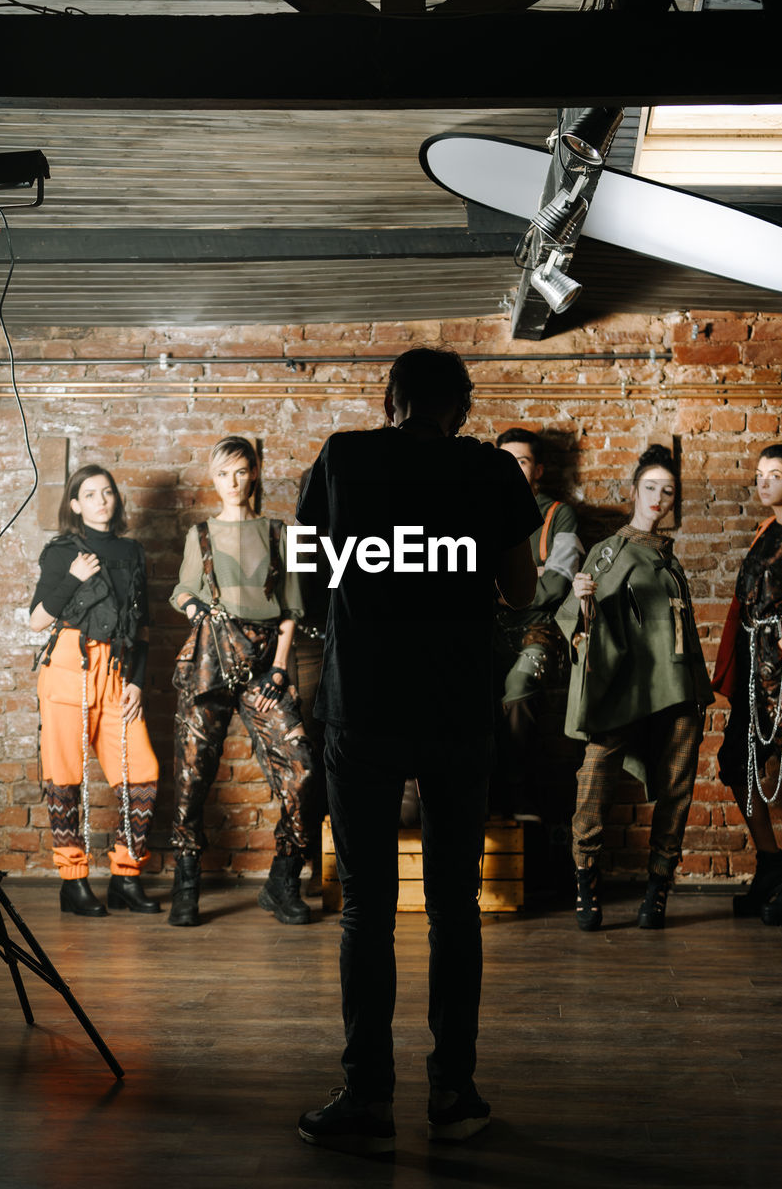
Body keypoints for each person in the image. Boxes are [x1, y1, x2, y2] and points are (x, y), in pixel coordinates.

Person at [296, 348, 540, 1154]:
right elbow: (520, 592)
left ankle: (367, 1098)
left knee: (366, 908)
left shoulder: (342, 456)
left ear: (389, 397)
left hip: (361, 705)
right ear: (461, 410)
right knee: (453, 905)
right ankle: (453, 1095)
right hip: (454, 708)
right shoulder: (492, 473)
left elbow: (307, 584)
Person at [556, 444, 713, 932]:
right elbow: (579, 619)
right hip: (626, 687)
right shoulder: (611, 551)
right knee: (594, 778)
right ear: (634, 491)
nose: (658, 498)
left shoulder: (670, 558)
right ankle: (586, 883)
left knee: (677, 789)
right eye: (650, 488)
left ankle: (657, 890)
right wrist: (581, 600)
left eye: (667, 491)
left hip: (680, 686)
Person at [169, 435, 315, 927]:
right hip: (211, 656)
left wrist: (279, 666)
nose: (232, 482)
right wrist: (195, 608)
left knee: (301, 770)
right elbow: (184, 589)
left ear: (254, 473)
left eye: (240, 471)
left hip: (264, 664)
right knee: (192, 773)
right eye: (222, 473)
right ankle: (186, 885)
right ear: (214, 478)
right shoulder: (201, 535)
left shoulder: (281, 532)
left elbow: (293, 608)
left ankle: (283, 880)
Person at [30, 465, 160, 917]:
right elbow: (37, 619)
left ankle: (126, 877)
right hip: (70, 667)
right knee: (65, 778)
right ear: (75, 505)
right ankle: (73, 881)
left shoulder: (133, 552)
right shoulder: (63, 551)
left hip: (118, 673)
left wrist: (139, 682)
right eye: (90, 494)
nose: (102, 500)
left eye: (107, 492)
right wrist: (75, 577)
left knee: (142, 773)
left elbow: (142, 627)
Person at [714, 442, 782, 924]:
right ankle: (771, 865)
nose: (764, 481)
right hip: (754, 668)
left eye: (777, 474)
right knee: (735, 763)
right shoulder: (766, 530)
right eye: (761, 473)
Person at [492, 427, 583, 820]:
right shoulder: (478, 511)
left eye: (522, 461)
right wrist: (530, 575)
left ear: (539, 470)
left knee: (519, 687)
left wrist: (504, 586)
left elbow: (557, 583)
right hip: (487, 629)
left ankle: (516, 795)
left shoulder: (557, 514)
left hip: (537, 629)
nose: (512, 468)